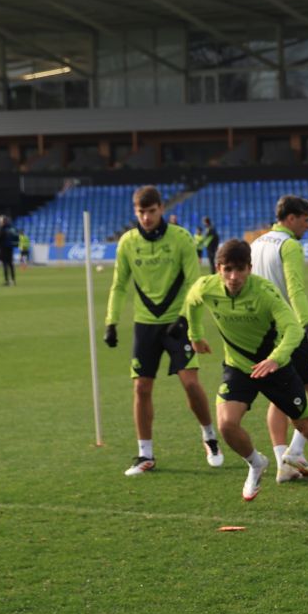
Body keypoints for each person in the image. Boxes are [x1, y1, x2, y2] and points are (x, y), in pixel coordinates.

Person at [183, 239, 308, 505]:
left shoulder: (265, 292)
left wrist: (275, 359)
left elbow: (294, 329)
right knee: (226, 424)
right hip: (238, 367)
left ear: (250, 268)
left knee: (307, 426)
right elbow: (191, 303)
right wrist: (195, 335)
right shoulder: (206, 287)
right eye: (227, 269)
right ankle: (255, 463)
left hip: (276, 368)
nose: (233, 276)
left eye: (240, 269)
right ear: (218, 268)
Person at [103, 185, 222, 476]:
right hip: (145, 326)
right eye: (141, 212)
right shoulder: (127, 243)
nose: (146, 217)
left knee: (190, 383)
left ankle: (209, 436)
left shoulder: (181, 238)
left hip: (177, 324)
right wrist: (111, 322)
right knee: (141, 387)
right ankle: (145, 454)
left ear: (161, 209)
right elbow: (119, 285)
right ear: (135, 212)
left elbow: (195, 282)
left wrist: (184, 318)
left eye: (151, 211)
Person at [250, 195, 308, 485]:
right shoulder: (289, 245)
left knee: (278, 393)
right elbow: (295, 290)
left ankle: (283, 460)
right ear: (292, 218)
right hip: (289, 329)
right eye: (306, 220)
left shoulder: (256, 243)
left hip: (264, 332)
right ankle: (296, 451)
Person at [0, 215, 18, 286]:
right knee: (10, 264)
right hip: (10, 247)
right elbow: (16, 237)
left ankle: (7, 280)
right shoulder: (11, 228)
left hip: (3, 248)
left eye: (0, 221)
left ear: (2, 221)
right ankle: (13, 280)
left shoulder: (2, 228)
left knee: (5, 264)